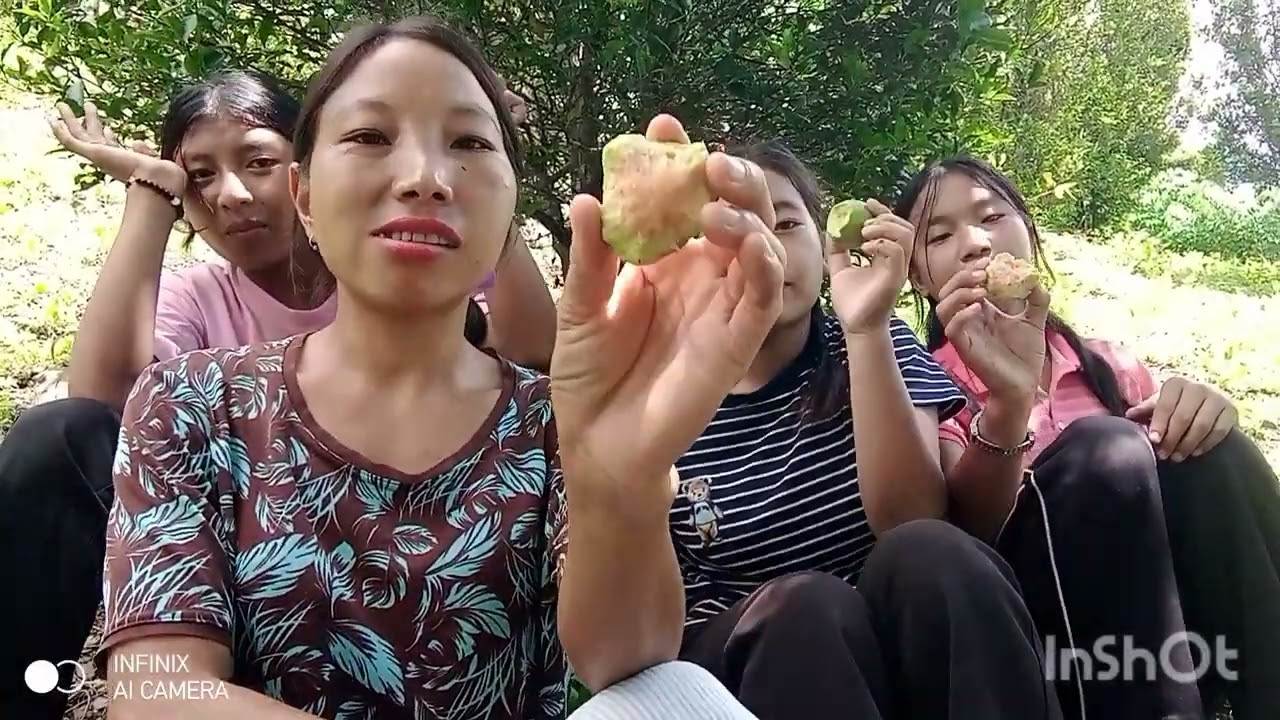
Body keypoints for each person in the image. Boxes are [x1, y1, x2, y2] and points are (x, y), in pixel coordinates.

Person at [93, 14, 786, 720]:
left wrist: (620, 487)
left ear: (509, 199)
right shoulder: (194, 403)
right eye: (369, 137)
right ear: (303, 196)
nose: (425, 177)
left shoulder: (557, 419)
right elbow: (155, 692)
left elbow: (627, 668)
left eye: (469, 143)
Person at [0, 68, 557, 718]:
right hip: (227, 548)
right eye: (200, 177)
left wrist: (484, 179)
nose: (231, 194)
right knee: (56, 438)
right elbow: (103, 402)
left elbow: (530, 352)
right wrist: (154, 191)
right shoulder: (200, 310)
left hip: (422, 534)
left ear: (308, 173)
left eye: (258, 160)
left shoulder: (406, 262)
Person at [665, 140, 1063, 720]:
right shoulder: (668, 391)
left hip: (880, 635)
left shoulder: (875, 340)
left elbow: (912, 519)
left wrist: (867, 328)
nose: (765, 250)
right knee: (807, 609)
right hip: (753, 661)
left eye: (786, 223)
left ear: (825, 245)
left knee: (933, 550)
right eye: (736, 230)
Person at [898, 155, 1280, 720]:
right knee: (1104, 450)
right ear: (918, 277)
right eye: (940, 235)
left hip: (1162, 613)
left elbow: (1187, 489)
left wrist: (1202, 414)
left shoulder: (1107, 364)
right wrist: (1007, 401)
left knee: (1211, 450)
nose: (975, 243)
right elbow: (963, 536)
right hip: (1036, 632)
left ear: (1028, 232)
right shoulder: (926, 385)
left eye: (992, 216)